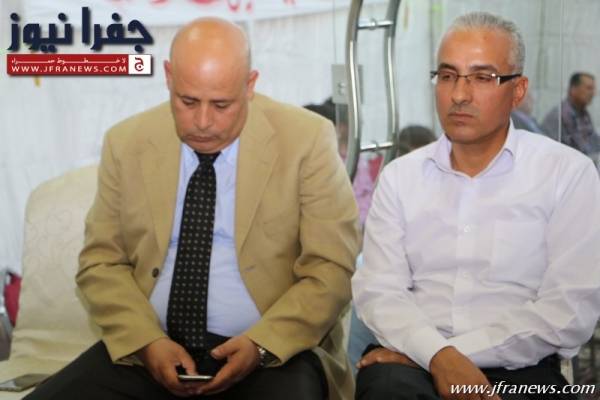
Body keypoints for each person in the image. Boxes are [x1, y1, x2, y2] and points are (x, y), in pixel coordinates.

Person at [25, 18, 360, 400]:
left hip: (272, 352)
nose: (202, 122)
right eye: (187, 102)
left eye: (221, 105)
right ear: (169, 77)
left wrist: (262, 344)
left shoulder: (306, 140)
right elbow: (100, 263)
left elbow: (331, 268)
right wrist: (146, 342)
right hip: (149, 348)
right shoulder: (127, 142)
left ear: (250, 85)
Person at [352, 11, 600, 400]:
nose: (459, 95)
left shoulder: (567, 174)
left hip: (520, 367)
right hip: (408, 365)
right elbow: (379, 292)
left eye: (482, 77)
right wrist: (437, 355)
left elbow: (568, 311)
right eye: (447, 76)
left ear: (518, 90)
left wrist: (447, 356)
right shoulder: (400, 178)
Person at [541, 72, 599, 156]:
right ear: (573, 89)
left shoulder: (584, 114)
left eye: (593, 89)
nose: (593, 93)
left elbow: (594, 143)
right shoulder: (559, 116)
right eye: (589, 88)